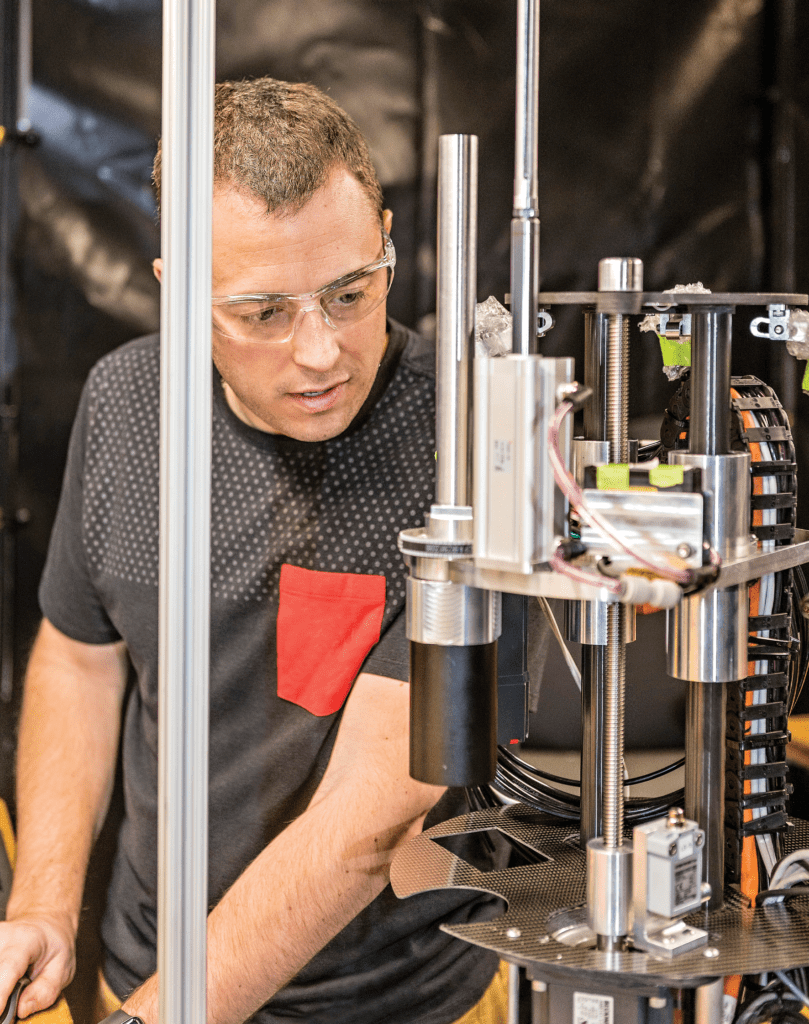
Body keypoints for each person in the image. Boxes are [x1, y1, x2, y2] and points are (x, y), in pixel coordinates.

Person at [0, 79, 508, 1024]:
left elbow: (369, 821)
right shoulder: (127, 403)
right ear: (177, 291)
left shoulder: (468, 433)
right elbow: (79, 657)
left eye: (349, 293)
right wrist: (41, 907)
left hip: (395, 1002)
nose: (319, 353)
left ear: (387, 242)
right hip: (144, 972)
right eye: (263, 313)